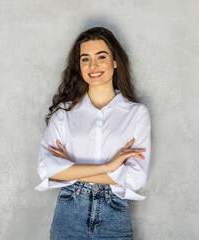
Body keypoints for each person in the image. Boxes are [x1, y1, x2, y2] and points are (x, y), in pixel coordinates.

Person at [35, 27, 151, 240]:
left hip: (114, 214)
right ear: (78, 66)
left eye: (101, 57)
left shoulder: (136, 114)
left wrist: (70, 167)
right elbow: (46, 169)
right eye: (85, 59)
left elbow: (135, 180)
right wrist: (109, 168)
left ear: (115, 61)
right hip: (69, 210)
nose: (93, 65)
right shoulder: (64, 113)